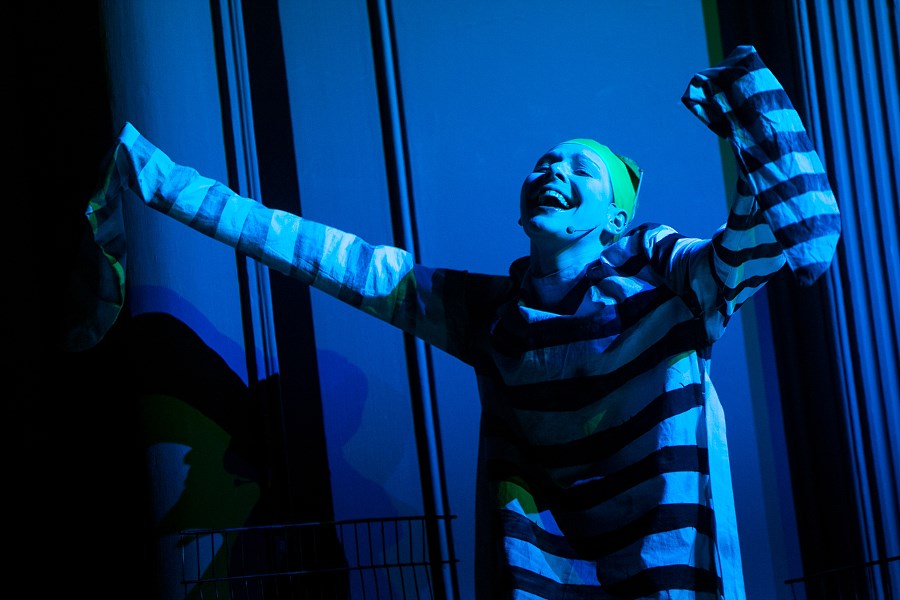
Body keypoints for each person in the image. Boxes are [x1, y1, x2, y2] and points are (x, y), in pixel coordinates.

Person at [80, 45, 839, 598]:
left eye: (581, 168)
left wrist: (748, 101)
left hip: (665, 573)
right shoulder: (489, 316)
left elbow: (777, 237)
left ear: (615, 219)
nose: (553, 170)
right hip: (545, 578)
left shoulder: (668, 281)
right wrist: (161, 180)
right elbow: (328, 257)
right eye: (544, 163)